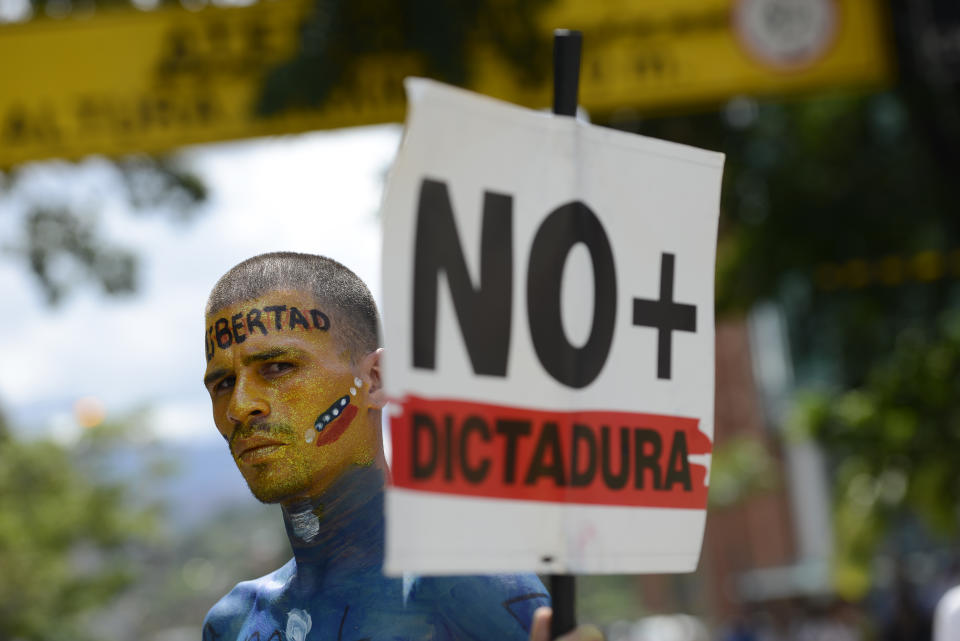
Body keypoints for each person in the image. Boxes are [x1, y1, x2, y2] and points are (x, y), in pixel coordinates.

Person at [200, 252, 601, 641]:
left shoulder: (461, 585)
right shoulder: (234, 623)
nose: (240, 406)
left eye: (277, 367)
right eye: (223, 383)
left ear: (374, 380)